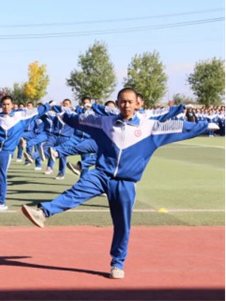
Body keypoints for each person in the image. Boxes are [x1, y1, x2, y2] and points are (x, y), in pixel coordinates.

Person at [20, 88, 219, 280]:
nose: (126, 105)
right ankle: (43, 212)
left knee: (122, 224)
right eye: (122, 101)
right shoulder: (104, 123)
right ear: (117, 103)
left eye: (130, 101)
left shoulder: (150, 127)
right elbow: (80, 120)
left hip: (126, 182)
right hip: (101, 174)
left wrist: (205, 126)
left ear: (137, 104)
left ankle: (118, 263)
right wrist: (63, 114)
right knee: (75, 192)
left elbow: (179, 128)